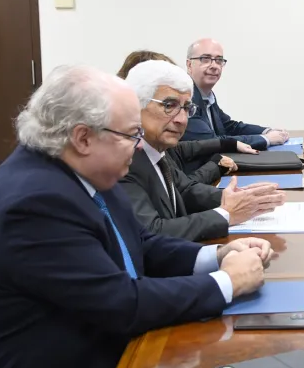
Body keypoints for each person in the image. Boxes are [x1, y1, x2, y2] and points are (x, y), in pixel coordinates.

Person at [0, 65, 271, 368]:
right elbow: (122, 303)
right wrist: (229, 282)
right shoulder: (33, 202)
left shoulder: (82, 169)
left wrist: (218, 254)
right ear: (82, 137)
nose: (139, 143)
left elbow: (141, 244)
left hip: (115, 360)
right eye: (131, 134)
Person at [121, 60, 285, 241]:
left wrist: (239, 197)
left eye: (186, 108)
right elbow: (152, 232)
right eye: (169, 105)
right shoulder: (124, 160)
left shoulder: (157, 150)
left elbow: (185, 191)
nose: (182, 120)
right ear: (136, 105)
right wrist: (226, 214)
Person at [116, 49, 254, 186]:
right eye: (169, 105)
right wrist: (216, 165)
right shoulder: (125, 157)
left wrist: (228, 144)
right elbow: (182, 192)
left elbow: (182, 153)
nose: (181, 119)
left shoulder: (155, 142)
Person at [180, 38, 290, 171]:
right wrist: (265, 139)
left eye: (219, 60)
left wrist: (267, 131)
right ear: (189, 64)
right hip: (194, 177)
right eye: (206, 59)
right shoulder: (185, 98)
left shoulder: (206, 95)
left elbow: (230, 126)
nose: (214, 65)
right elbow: (213, 141)